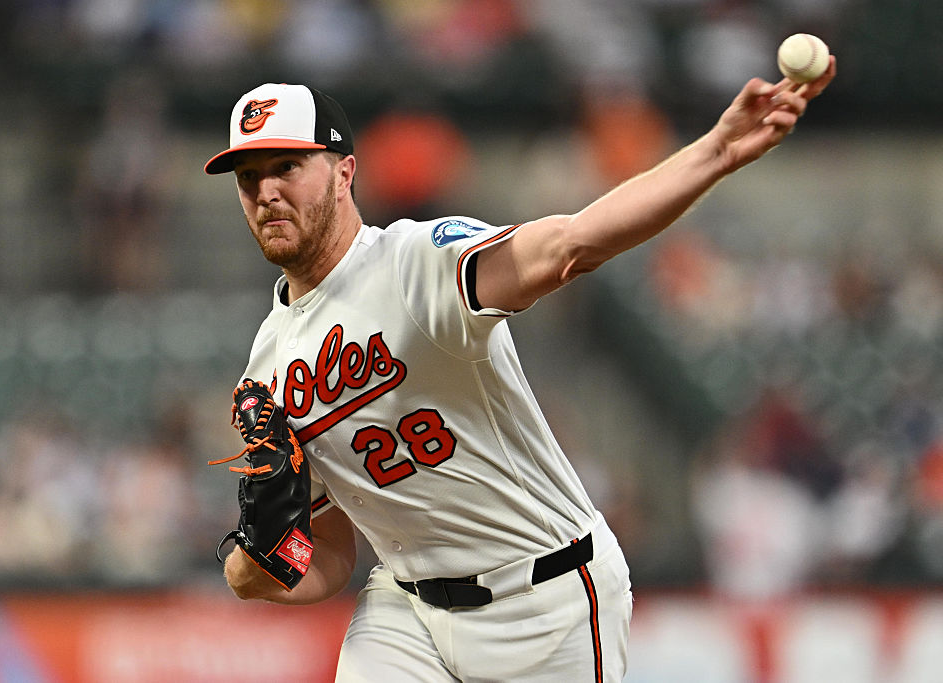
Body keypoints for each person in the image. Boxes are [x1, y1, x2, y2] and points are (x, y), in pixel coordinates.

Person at [204, 60, 835, 682]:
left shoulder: (415, 264)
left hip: (547, 594)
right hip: (408, 611)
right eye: (248, 176)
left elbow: (571, 245)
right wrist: (249, 570)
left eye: (287, 166)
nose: (266, 192)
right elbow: (332, 556)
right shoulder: (268, 366)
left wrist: (715, 154)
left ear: (344, 173)